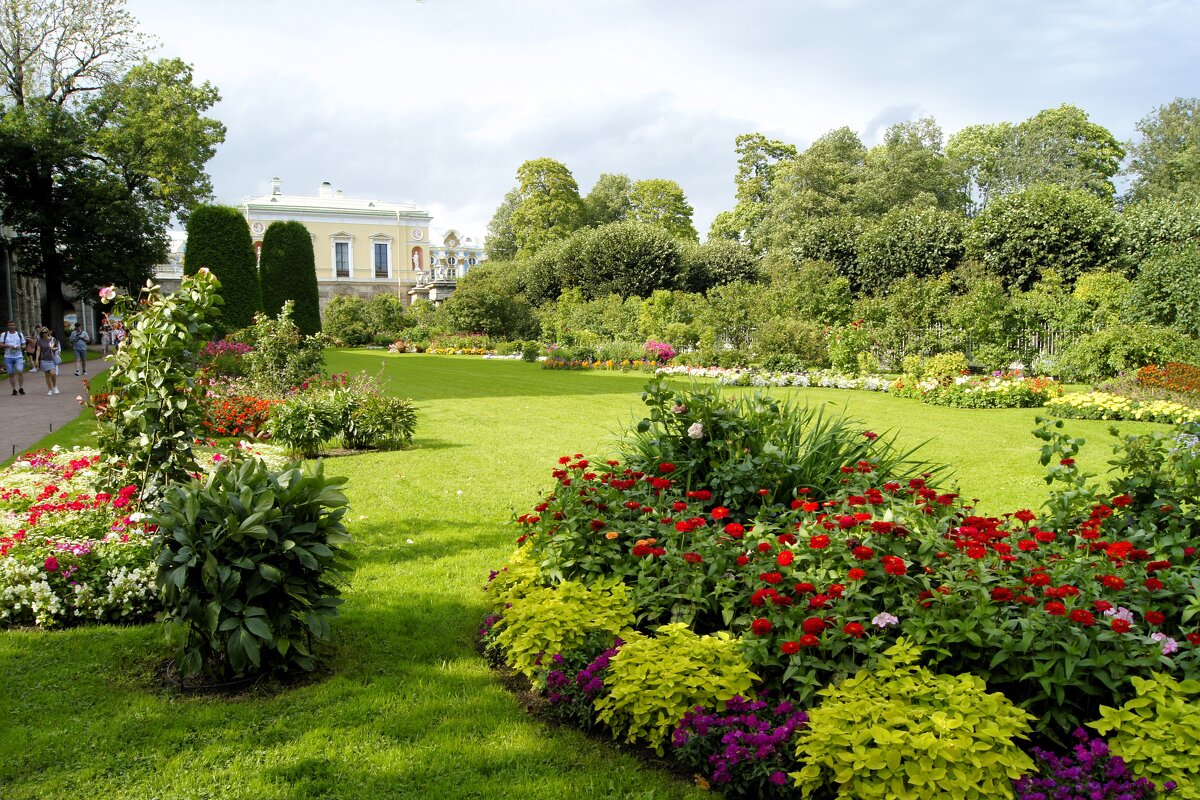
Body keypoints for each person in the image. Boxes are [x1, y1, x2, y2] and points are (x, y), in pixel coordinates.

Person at [1, 320, 26, 395]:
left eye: (12, 325)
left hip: (18, 356)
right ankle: (14, 389)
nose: (11, 326)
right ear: (7, 326)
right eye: (10, 325)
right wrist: (8, 346)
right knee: (11, 373)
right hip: (8, 356)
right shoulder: (4, 334)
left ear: (15, 326)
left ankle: (21, 387)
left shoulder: (19, 334)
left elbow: (24, 345)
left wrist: (20, 347)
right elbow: (1, 344)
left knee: (20, 371)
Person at [35, 326, 60, 395]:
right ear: (41, 333)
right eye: (43, 333)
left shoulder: (52, 339)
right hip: (44, 359)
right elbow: (38, 350)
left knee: (52, 373)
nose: (44, 334)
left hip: (51, 359)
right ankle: (50, 389)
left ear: (48, 332)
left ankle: (55, 386)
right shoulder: (39, 340)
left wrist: (54, 348)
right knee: (47, 375)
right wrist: (37, 360)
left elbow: (57, 346)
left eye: (46, 332)